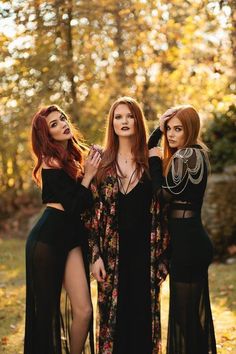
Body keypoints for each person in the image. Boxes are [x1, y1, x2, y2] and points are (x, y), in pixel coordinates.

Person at [84, 96, 169, 354]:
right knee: (115, 324)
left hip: (146, 255)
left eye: (129, 116)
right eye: (118, 117)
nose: (124, 121)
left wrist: (165, 256)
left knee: (143, 322)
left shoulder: (151, 163)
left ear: (137, 121)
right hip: (111, 257)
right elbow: (89, 216)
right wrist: (95, 256)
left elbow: (165, 210)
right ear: (112, 123)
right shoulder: (102, 164)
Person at [24, 105, 101, 354]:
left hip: (71, 239)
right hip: (47, 240)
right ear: (47, 135)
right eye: (54, 124)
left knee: (84, 311)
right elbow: (74, 206)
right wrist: (88, 177)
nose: (62, 124)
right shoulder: (51, 160)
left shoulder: (73, 157)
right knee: (46, 315)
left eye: (62, 119)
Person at [148, 105, 217, 354]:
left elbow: (162, 195)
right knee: (188, 320)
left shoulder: (187, 156)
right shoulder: (193, 154)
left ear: (191, 130)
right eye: (169, 129)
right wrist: (158, 130)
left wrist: (154, 161)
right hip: (189, 244)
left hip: (189, 247)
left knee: (186, 321)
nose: (171, 134)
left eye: (178, 129)